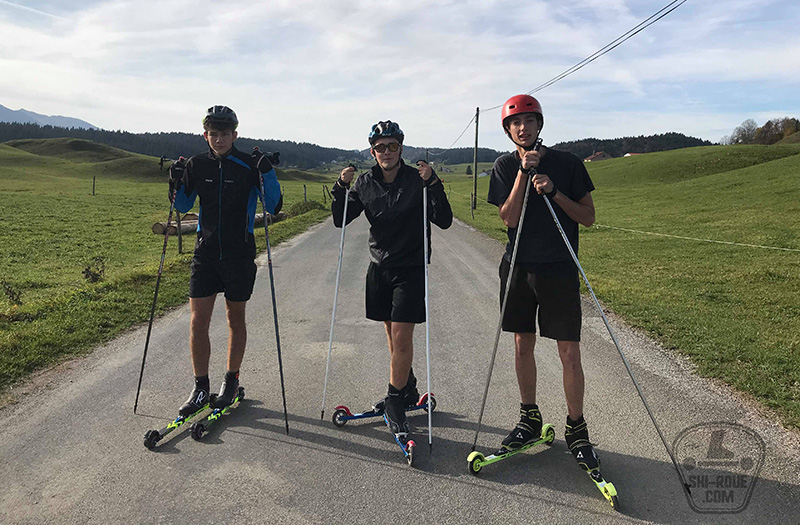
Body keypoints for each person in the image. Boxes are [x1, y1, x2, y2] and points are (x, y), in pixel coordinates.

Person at [486, 95, 599, 471]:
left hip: (560, 268)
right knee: (522, 345)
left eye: (529, 122)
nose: (523, 128)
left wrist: (553, 191)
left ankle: (577, 428)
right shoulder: (504, 166)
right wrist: (522, 173)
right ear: (508, 131)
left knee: (569, 351)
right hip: (518, 266)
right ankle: (529, 418)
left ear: (539, 125)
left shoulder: (567, 164)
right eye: (515, 124)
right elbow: (509, 218)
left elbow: (587, 217)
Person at [331, 120, 452, 441]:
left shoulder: (418, 179)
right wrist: (340, 188)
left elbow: (444, 220)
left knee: (401, 337)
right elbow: (341, 218)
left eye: (392, 146)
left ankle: (395, 402)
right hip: (379, 267)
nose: (386, 152)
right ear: (373, 151)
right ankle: (408, 387)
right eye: (380, 147)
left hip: (410, 268)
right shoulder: (365, 182)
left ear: (401, 148)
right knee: (391, 333)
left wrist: (435, 182)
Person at [168, 105, 281, 416]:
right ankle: (200, 387)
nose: (219, 139)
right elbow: (182, 204)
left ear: (235, 134)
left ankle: (231, 381)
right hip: (205, 253)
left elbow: (274, 203)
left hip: (239, 253)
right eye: (213, 134)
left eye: (225, 134)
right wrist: (174, 181)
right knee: (197, 321)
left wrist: (267, 171)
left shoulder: (248, 165)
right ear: (206, 135)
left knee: (235, 319)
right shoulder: (197, 164)